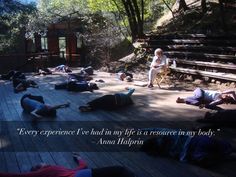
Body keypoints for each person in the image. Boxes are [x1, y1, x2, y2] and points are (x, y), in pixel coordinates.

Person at [140, 128, 234, 167]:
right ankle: (226, 154)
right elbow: (155, 129)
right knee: (219, 145)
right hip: (197, 142)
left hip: (195, 149)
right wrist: (141, 130)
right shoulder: (167, 136)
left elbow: (180, 157)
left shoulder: (167, 152)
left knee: (205, 157)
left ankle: (225, 156)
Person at [0, 153, 135, 177]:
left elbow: (82, 166)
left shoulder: (62, 170)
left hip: (79, 174)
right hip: (79, 176)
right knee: (119, 170)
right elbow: (20, 175)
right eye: (39, 163)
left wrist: (78, 158)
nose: (42, 162)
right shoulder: (44, 171)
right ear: (38, 168)